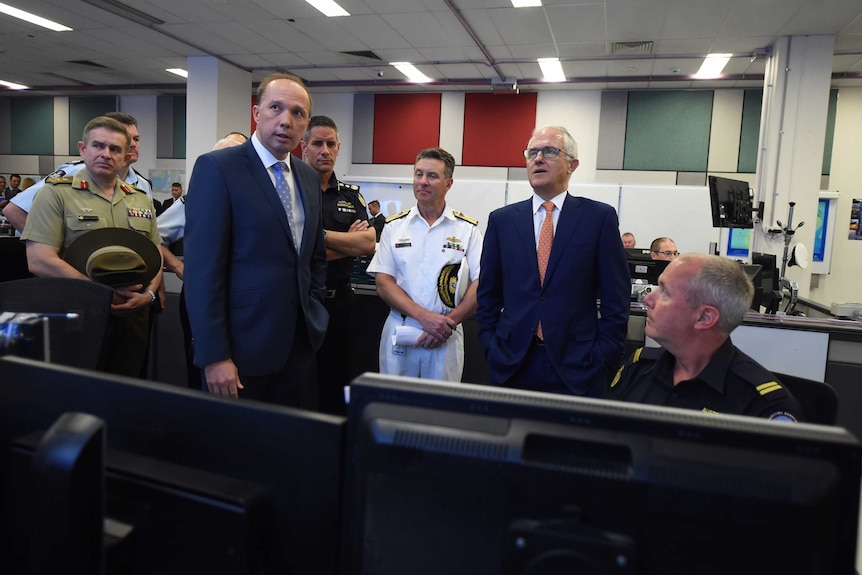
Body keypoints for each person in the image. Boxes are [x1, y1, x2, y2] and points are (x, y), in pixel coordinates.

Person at [184, 72, 327, 408]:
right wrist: (214, 355)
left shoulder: (307, 176)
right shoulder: (218, 168)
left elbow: (313, 258)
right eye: (276, 108)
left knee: (288, 445)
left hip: (299, 344)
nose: (286, 121)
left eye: (297, 113)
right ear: (256, 112)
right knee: (236, 451)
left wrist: (314, 311)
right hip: (238, 350)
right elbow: (203, 273)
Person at [476, 125, 631, 397]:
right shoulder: (502, 220)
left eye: (549, 151)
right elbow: (488, 293)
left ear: (572, 164)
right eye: (532, 152)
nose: (537, 158)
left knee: (569, 440)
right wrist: (490, 344)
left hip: (579, 363)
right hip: (512, 361)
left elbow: (615, 296)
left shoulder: (599, 218)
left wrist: (603, 354)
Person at [20, 115, 163, 378]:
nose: (106, 154)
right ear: (82, 149)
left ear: (125, 156)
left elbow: (155, 256)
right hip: (76, 315)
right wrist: (100, 292)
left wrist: (149, 296)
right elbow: (39, 260)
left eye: (115, 149)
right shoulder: (55, 194)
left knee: (126, 393)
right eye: (98, 146)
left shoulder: (141, 199)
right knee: (75, 392)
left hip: (131, 317)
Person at [609, 253, 803, 421]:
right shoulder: (637, 369)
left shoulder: (762, 406)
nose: (648, 299)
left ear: (704, 317)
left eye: (665, 293)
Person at [366, 147, 482, 382]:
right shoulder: (394, 227)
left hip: (446, 334)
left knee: (440, 410)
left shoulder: (467, 230)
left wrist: (446, 324)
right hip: (402, 329)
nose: (423, 182)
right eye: (418, 174)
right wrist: (425, 318)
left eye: (432, 176)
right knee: (395, 407)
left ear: (448, 183)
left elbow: (483, 283)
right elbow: (383, 282)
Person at [300, 115, 375, 415]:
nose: (324, 151)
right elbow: (294, 256)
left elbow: (367, 244)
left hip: (341, 302)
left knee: (338, 381)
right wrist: (346, 243)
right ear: (303, 147)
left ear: (339, 147)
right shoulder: (292, 191)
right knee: (300, 383)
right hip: (301, 301)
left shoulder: (350, 195)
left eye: (330, 144)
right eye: (317, 143)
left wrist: (318, 238)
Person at [2, 112, 152, 233]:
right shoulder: (74, 172)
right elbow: (14, 210)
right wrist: (51, 251)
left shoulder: (142, 186)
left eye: (136, 139)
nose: (133, 144)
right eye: (127, 137)